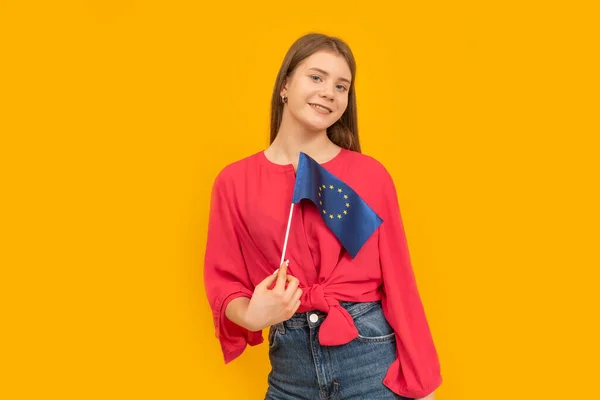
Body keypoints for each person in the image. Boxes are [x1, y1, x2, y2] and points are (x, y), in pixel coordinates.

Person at [203, 33, 442, 400]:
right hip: (290, 368)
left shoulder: (368, 176)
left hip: (369, 360)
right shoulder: (234, 182)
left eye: (341, 85)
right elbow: (224, 281)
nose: (330, 92)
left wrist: (422, 382)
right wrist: (253, 316)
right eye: (317, 77)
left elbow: (400, 282)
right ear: (285, 84)